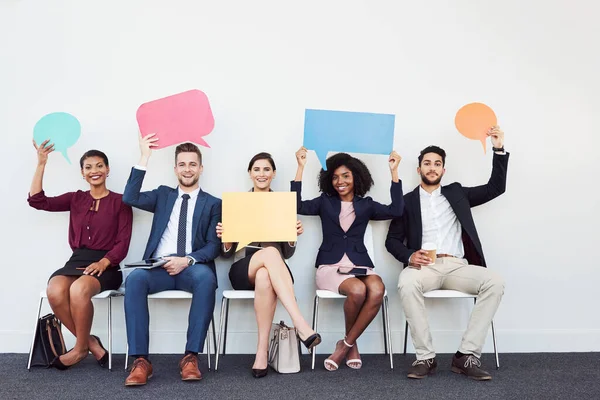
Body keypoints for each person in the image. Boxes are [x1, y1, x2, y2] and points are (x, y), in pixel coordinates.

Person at [385, 126, 508, 381]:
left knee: (494, 281)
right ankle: (425, 357)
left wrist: (498, 148)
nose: (432, 168)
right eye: (427, 163)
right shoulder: (406, 201)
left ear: (443, 170)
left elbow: (495, 188)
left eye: (437, 164)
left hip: (457, 266)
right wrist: (409, 256)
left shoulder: (457, 193)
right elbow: (392, 240)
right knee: (406, 283)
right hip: (424, 267)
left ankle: (466, 355)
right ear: (419, 169)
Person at [292, 147, 403, 371]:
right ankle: (351, 347)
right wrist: (300, 168)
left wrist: (394, 172)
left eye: (345, 176)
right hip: (330, 266)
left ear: (356, 177)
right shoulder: (325, 202)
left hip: (360, 264)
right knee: (358, 291)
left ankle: (345, 343)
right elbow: (296, 206)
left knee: (377, 289)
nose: (340, 181)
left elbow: (397, 210)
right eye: (335, 177)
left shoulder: (367, 205)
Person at [122, 134, 221, 386]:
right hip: (158, 267)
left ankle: (190, 357)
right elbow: (129, 198)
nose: (187, 169)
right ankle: (141, 360)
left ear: (201, 168)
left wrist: (187, 259)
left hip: (192, 267)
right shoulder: (163, 195)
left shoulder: (213, 203)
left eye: (192, 164)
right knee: (134, 280)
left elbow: (213, 246)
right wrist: (144, 156)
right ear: (175, 168)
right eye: (182, 164)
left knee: (206, 279)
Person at [28, 140, 133, 370]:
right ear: (82, 173)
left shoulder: (121, 202)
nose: (94, 171)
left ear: (107, 170)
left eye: (99, 166)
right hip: (77, 261)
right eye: (88, 167)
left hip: (108, 265)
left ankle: (78, 349)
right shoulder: (76, 198)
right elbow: (37, 201)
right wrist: (41, 163)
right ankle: (90, 343)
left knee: (78, 290)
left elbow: (123, 243)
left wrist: (104, 262)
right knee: (54, 290)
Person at [217, 152, 321, 378]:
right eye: (257, 169)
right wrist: (225, 238)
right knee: (270, 253)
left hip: (273, 272)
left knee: (266, 273)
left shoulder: (282, 203)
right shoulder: (237, 204)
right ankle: (301, 324)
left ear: (273, 174)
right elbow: (226, 254)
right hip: (243, 269)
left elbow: (288, 252)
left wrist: (293, 236)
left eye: (266, 169)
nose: (261, 174)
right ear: (249, 173)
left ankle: (261, 354)